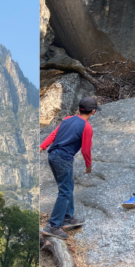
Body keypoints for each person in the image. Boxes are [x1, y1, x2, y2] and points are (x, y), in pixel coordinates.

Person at [39, 96, 97, 239]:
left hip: (53, 155)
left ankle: (67, 218)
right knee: (65, 191)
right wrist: (88, 166)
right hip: (64, 159)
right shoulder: (87, 127)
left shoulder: (67, 119)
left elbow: (54, 134)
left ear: (79, 109)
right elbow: (85, 150)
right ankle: (53, 226)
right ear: (93, 112)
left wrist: (43, 145)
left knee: (68, 186)